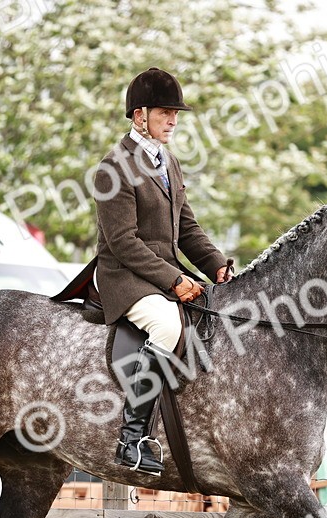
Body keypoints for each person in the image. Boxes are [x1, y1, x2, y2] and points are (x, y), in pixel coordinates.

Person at [91, 67, 233, 476]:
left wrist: (215, 264)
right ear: (140, 115)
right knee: (168, 327)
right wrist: (174, 280)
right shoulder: (113, 168)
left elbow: (186, 227)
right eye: (165, 113)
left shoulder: (168, 161)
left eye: (175, 114)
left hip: (161, 273)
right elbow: (123, 242)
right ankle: (132, 439)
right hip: (125, 276)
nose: (173, 121)